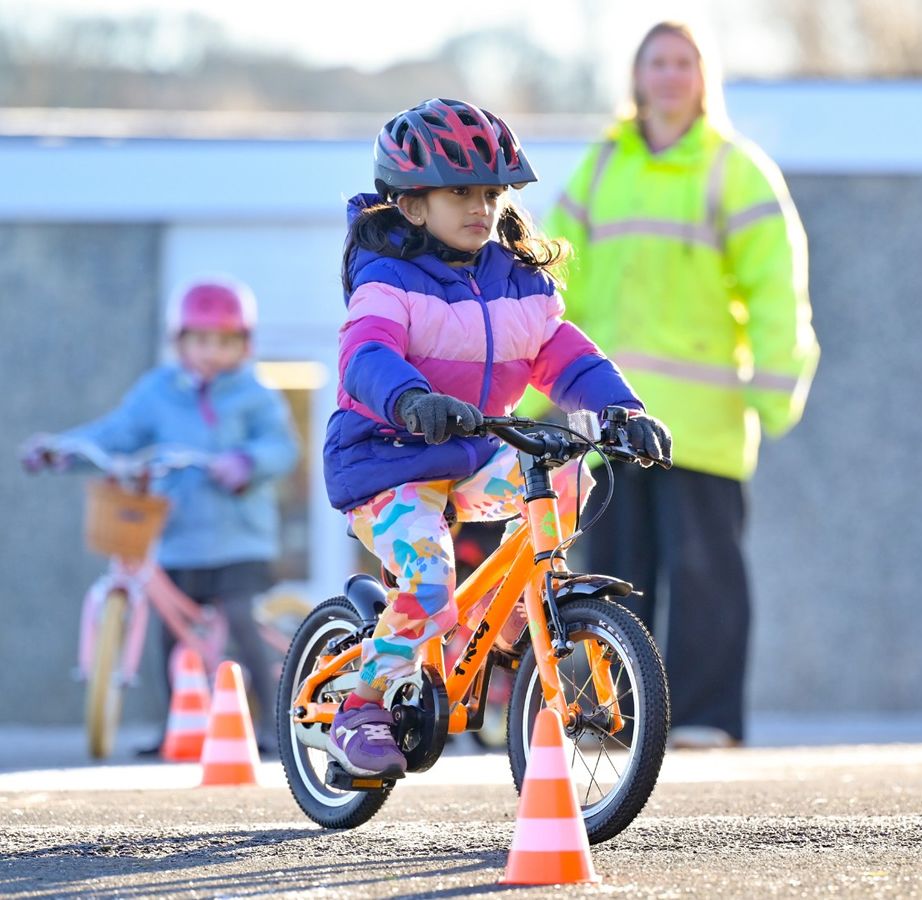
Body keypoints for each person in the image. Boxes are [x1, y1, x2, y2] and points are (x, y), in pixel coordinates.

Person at [322, 97, 672, 777]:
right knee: (426, 580)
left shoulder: (517, 281)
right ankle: (359, 705)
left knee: (571, 471)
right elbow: (365, 356)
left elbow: (567, 356)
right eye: (460, 193)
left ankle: (516, 604)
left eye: (491, 192)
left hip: (472, 452)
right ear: (412, 205)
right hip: (387, 460)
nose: (481, 207)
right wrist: (410, 399)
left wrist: (622, 412)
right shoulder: (388, 280)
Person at [544, 22, 820, 749]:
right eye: (655, 62)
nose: (668, 75)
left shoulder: (735, 169)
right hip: (611, 422)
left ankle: (703, 717)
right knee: (615, 577)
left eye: (683, 63)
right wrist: (535, 380)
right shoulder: (601, 169)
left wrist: (775, 381)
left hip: (703, 419)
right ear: (636, 78)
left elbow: (774, 287)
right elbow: (552, 279)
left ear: (704, 78)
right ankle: (610, 717)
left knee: (704, 576)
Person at [22, 278, 299, 754]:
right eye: (201, 340)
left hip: (240, 539)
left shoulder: (255, 393)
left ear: (244, 345)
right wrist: (62, 450)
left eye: (225, 342)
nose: (212, 352)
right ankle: (180, 723)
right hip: (179, 536)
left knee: (238, 616)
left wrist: (247, 461)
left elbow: (281, 446)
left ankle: (274, 725)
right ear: (180, 342)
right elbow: (114, 433)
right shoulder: (158, 391)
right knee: (172, 637)